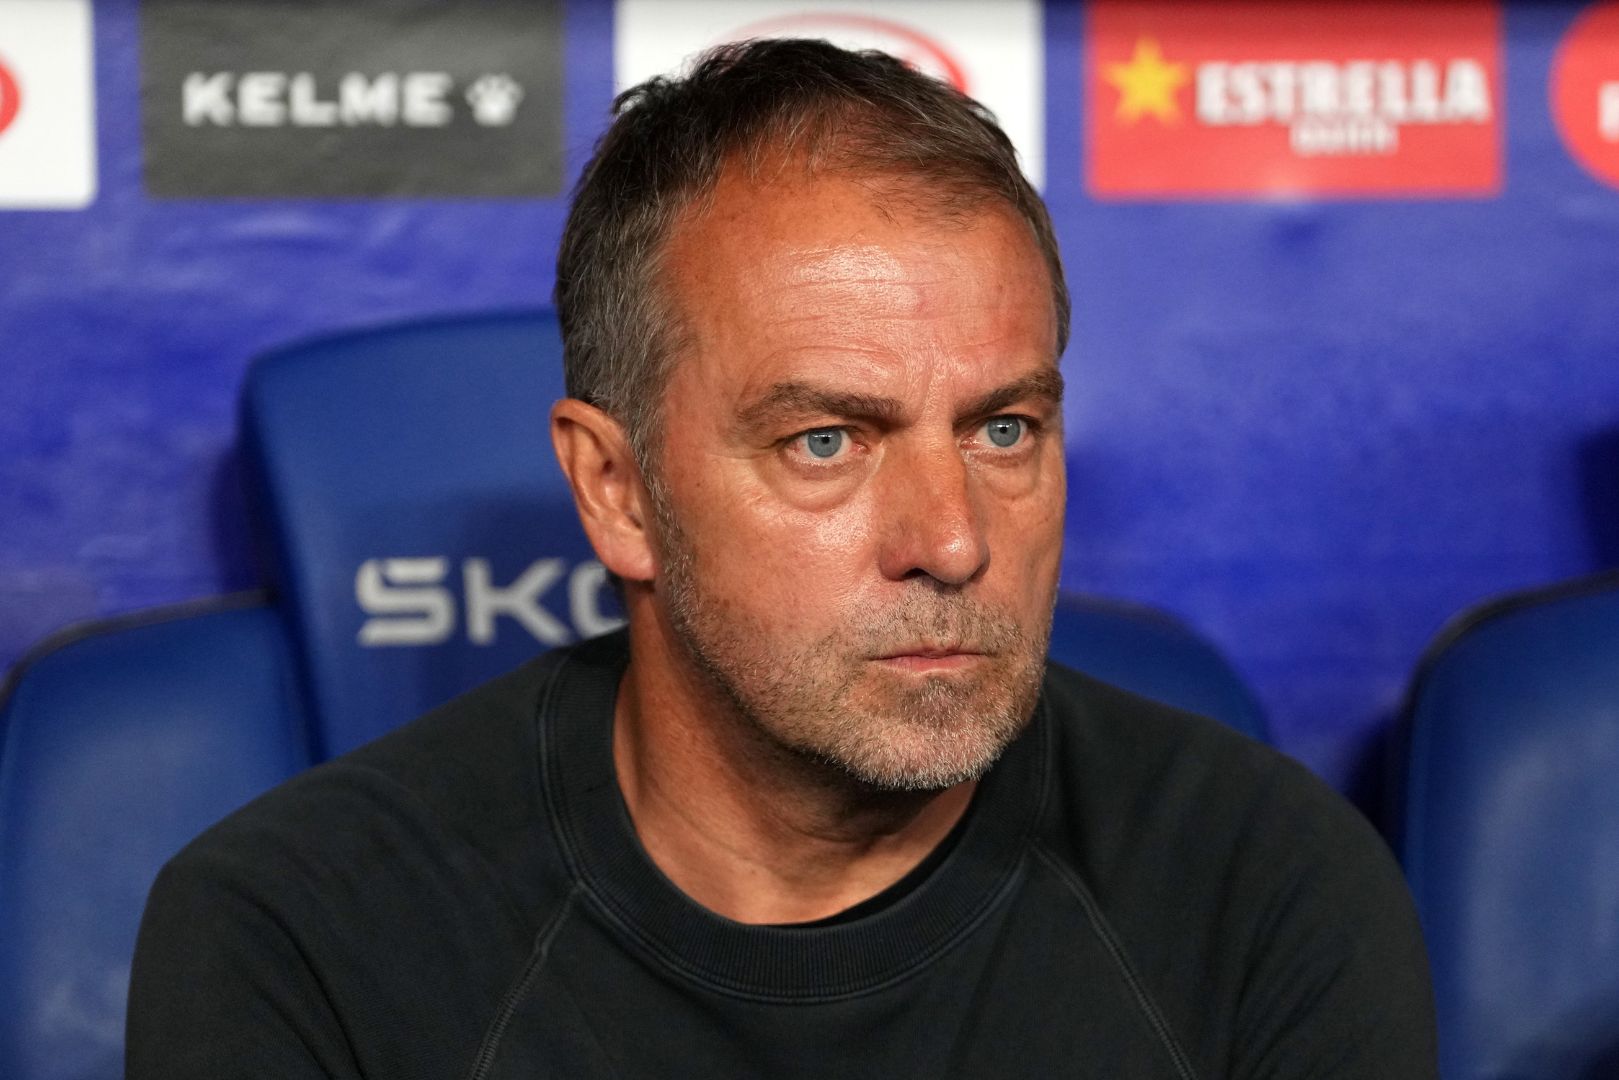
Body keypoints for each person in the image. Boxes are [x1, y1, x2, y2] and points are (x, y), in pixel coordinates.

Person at [128, 39, 1437, 1078]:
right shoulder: (304, 938)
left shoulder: (1262, 886)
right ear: (617, 490)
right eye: (826, 442)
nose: (952, 540)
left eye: (1003, 429)